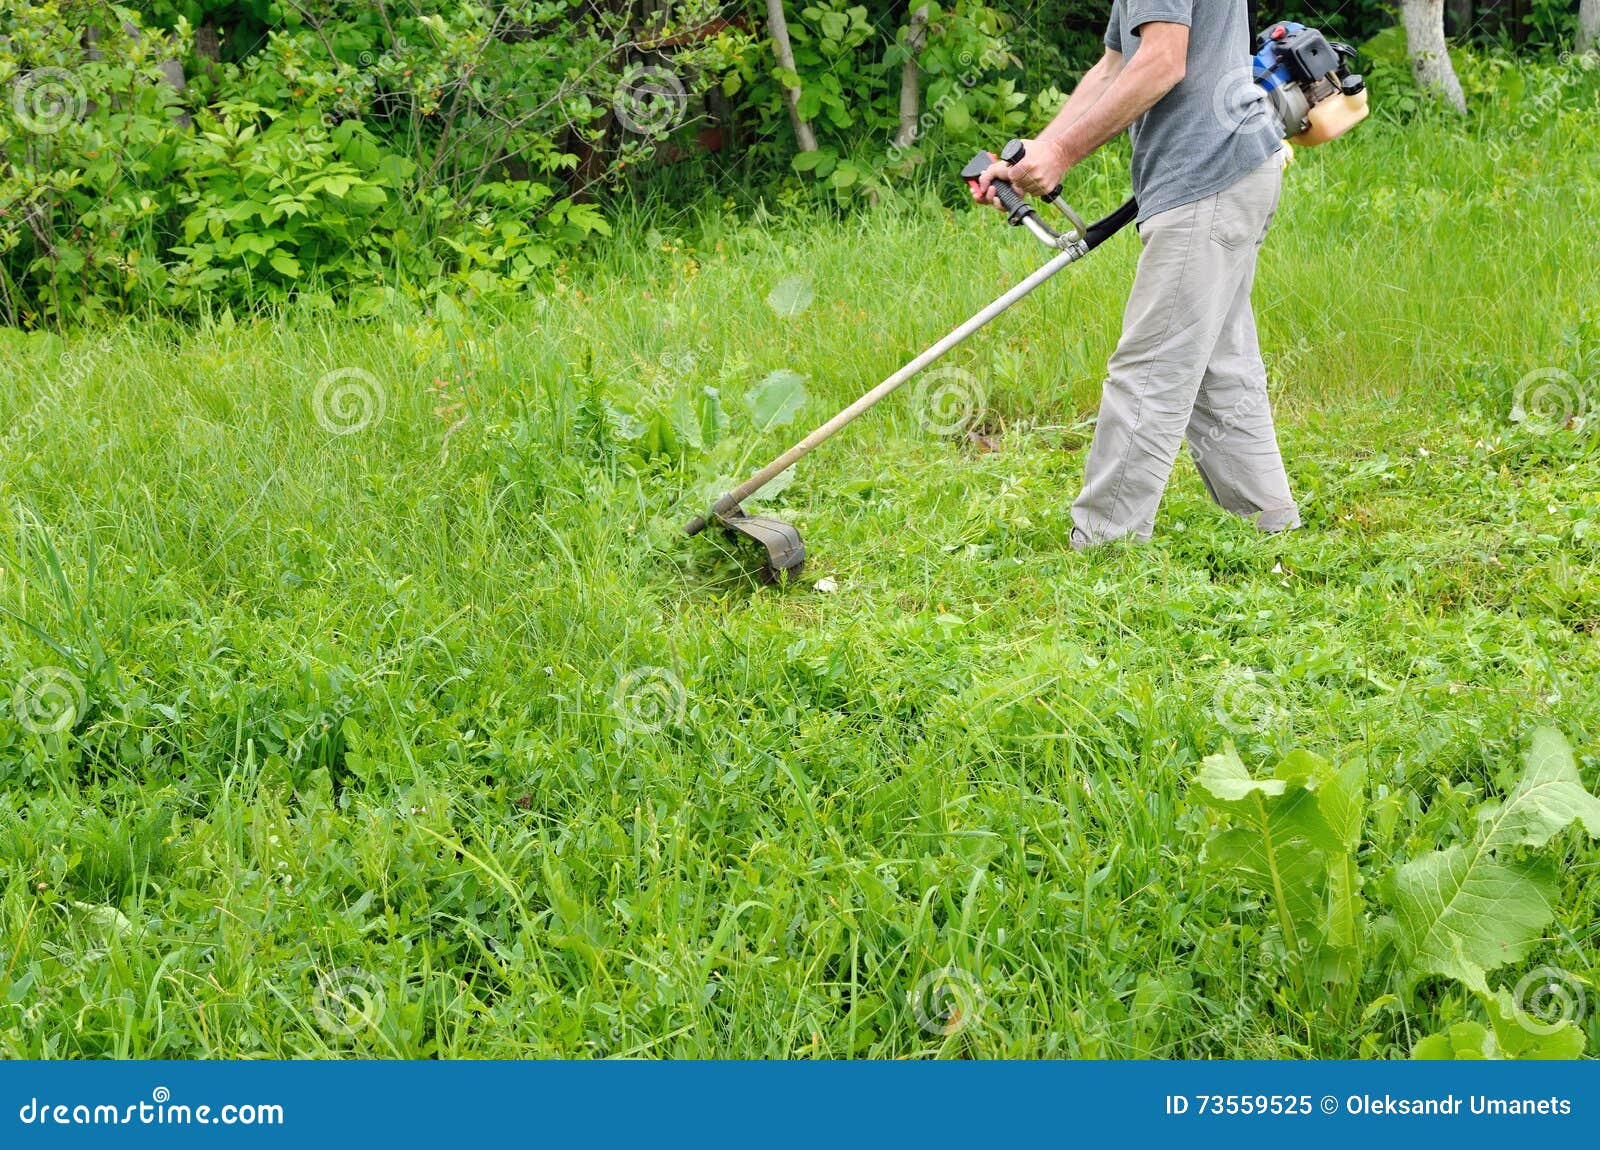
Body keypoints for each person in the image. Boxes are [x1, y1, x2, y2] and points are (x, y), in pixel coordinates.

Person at [975, 0, 1300, 548]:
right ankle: (1269, 522)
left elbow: (1162, 61)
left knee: (1151, 368)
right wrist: (1032, 154)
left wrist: (1062, 152)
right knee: (1219, 364)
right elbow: (1114, 66)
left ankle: (1105, 543)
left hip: (1208, 173)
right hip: (1225, 171)